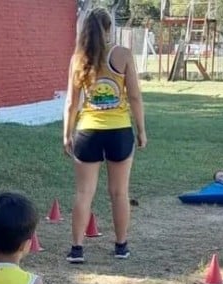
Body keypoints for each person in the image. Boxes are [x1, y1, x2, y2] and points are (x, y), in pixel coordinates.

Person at [63, 7, 147, 264]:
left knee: (83, 193)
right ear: (110, 28)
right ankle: (121, 246)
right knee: (119, 192)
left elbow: (71, 102)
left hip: (87, 132)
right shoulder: (122, 54)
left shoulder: (78, 58)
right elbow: (134, 96)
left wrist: (66, 134)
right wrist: (141, 130)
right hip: (119, 132)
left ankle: (77, 249)